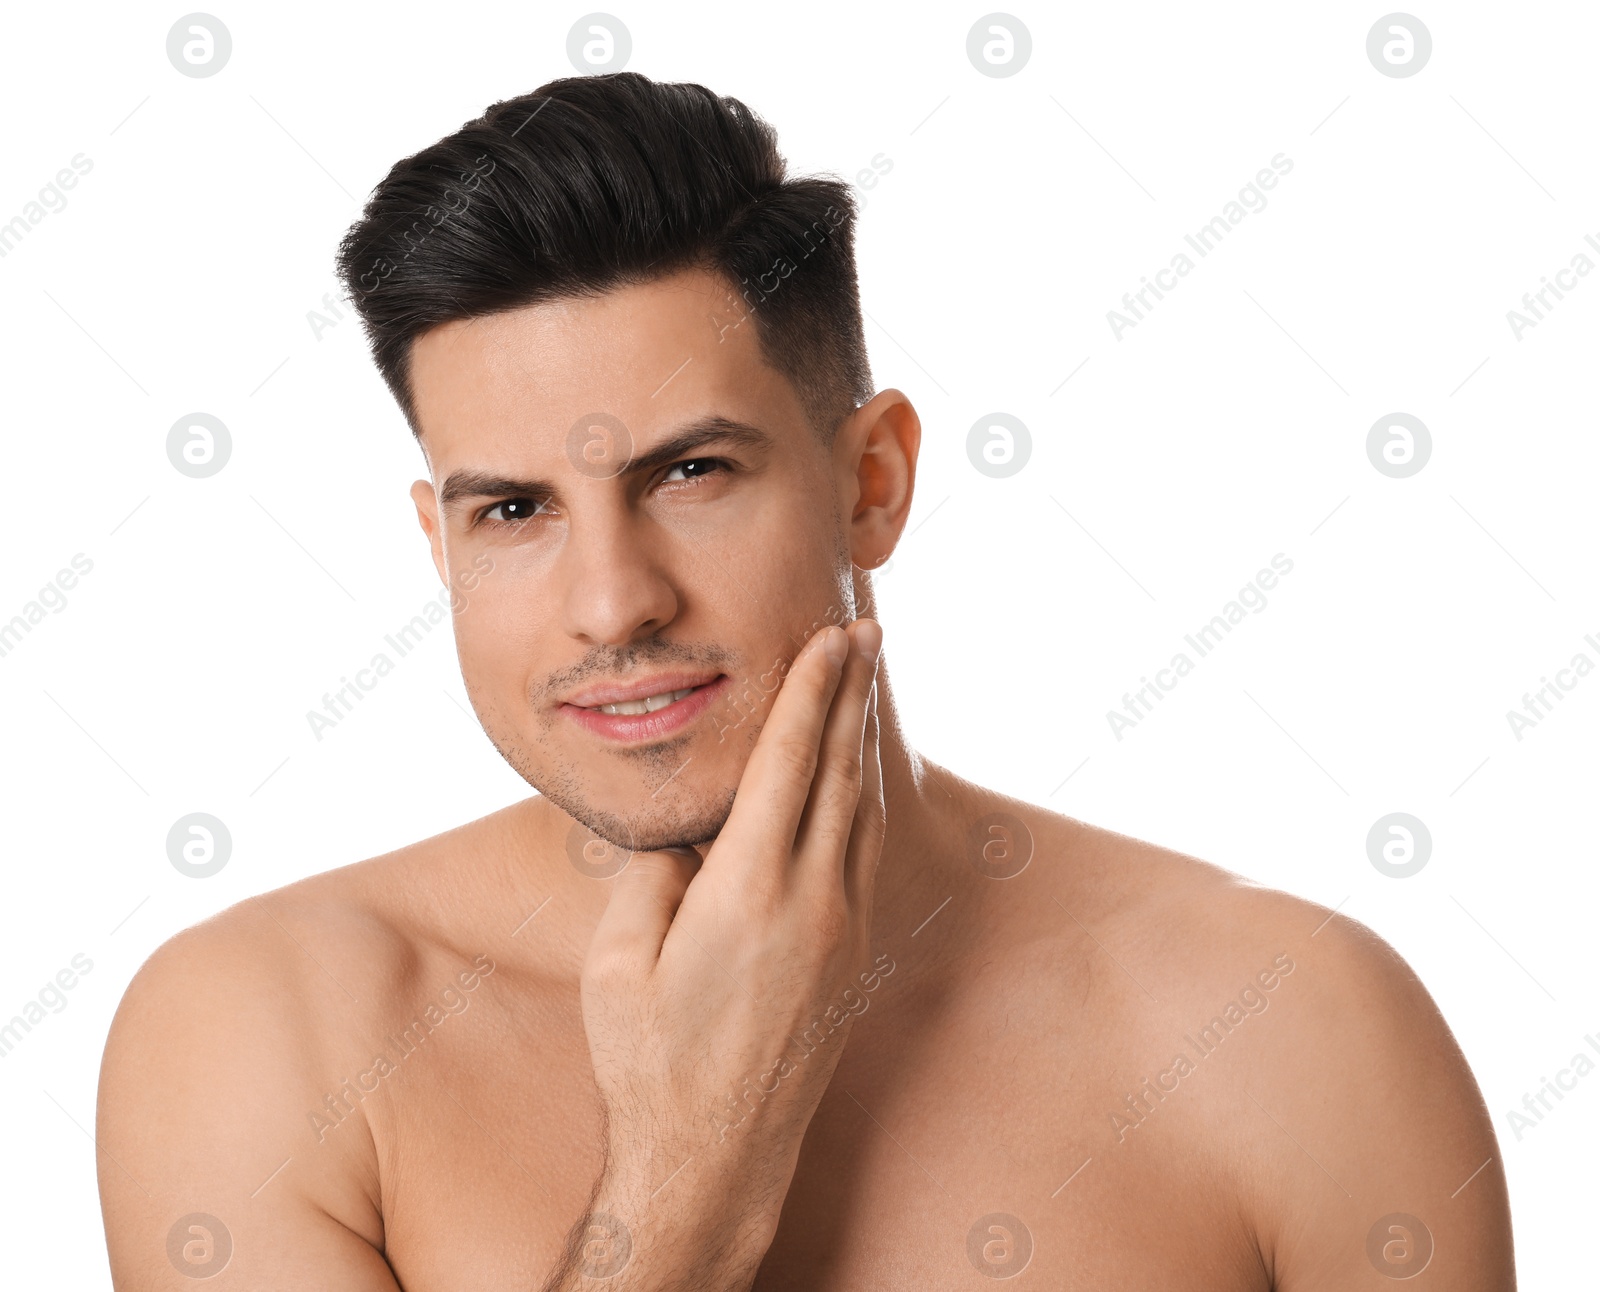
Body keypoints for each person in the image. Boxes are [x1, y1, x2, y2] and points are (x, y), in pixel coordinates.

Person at [96, 72, 1515, 1289]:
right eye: (514, 514)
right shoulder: (263, 1039)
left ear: (872, 481)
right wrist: (683, 1179)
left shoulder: (1289, 1027)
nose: (613, 603)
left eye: (691, 472)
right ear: (441, 544)